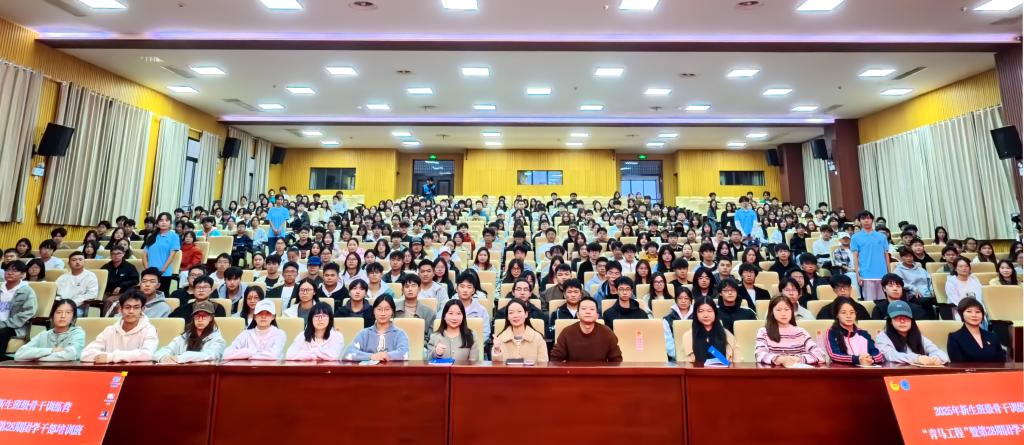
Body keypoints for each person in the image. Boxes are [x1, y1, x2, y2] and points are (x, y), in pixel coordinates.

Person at [80, 290, 159, 363]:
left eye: (136, 307)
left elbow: (147, 354)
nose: (131, 311)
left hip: (138, 372)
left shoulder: (149, 330)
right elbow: (85, 354)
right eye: (127, 307)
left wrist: (111, 357)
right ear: (120, 309)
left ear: (143, 309)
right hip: (112, 372)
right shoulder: (109, 330)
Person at [754, 296, 826, 366]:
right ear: (771, 312)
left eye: (787, 309)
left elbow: (819, 354)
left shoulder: (801, 332)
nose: (783, 314)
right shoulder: (764, 332)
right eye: (778, 310)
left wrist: (798, 359)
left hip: (798, 371)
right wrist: (780, 359)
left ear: (792, 311)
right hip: (774, 372)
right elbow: (759, 354)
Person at [874, 301, 949, 365]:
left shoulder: (917, 335)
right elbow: (891, 355)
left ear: (911, 320)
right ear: (890, 321)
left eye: (906, 317)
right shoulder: (883, 336)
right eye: (897, 317)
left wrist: (935, 358)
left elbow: (940, 353)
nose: (902, 321)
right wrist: (917, 359)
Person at [550, 297, 623, 362]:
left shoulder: (607, 333)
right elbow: (555, 359)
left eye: (592, 309)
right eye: (584, 309)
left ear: (597, 315)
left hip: (599, 372)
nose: (588, 312)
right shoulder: (567, 332)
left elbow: (616, 361)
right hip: (573, 372)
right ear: (578, 315)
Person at [154, 300, 226, 364]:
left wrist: (180, 358)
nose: (200, 320)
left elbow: (210, 355)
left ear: (211, 318)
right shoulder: (185, 336)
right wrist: (163, 358)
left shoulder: (218, 339)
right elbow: (164, 350)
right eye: (197, 316)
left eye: (204, 316)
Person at [13, 298, 84, 362]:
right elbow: (19, 354)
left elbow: (70, 354)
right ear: (52, 316)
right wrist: (51, 350)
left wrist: (37, 358)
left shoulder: (77, 333)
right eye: (59, 312)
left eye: (68, 312)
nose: (63, 316)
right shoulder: (44, 335)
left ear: (73, 317)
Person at [343, 296, 410, 362]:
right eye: (379, 309)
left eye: (387, 309)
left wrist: (385, 355)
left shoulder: (400, 334)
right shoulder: (364, 333)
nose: (383, 313)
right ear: (373, 311)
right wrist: (372, 356)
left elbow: (404, 354)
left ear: (392, 311)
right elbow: (348, 354)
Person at [824, 297, 885, 366]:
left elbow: (878, 355)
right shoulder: (831, 332)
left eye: (852, 312)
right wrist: (857, 359)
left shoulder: (863, 334)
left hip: (865, 370)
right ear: (837, 315)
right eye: (843, 313)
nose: (848, 316)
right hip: (841, 371)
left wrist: (870, 359)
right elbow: (834, 355)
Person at [677, 297, 737, 363]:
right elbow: (682, 363)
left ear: (715, 313)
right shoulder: (687, 337)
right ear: (696, 314)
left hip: (723, 369)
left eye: (709, 311)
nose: (705, 315)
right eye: (701, 311)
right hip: (696, 370)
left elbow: (738, 362)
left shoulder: (728, 335)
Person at [222, 299, 287, 361]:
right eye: (260, 313)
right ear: (255, 316)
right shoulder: (245, 334)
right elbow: (226, 354)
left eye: (268, 313)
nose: (263, 316)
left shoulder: (280, 334)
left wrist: (246, 355)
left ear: (273, 317)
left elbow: (273, 355)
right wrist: (249, 352)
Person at [946, 297, 1006, 363]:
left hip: (994, 370)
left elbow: (1001, 362)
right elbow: (957, 365)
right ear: (961, 314)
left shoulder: (993, 336)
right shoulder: (954, 338)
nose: (974, 315)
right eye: (969, 311)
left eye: (978, 312)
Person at [491, 299, 549, 363]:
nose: (515, 315)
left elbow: (543, 364)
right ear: (508, 317)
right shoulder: (500, 339)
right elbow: (497, 366)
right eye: (511, 313)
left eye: (519, 311)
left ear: (526, 314)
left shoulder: (538, 338)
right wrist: (497, 350)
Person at [850, 211, 889, 301]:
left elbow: (886, 256)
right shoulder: (855, 237)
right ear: (859, 221)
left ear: (872, 220)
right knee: (870, 302)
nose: (866, 220)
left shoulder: (882, 237)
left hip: (882, 274)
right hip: (866, 275)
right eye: (863, 219)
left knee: (883, 302)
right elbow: (855, 257)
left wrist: (889, 273)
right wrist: (858, 275)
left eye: (868, 218)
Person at [141, 212, 181, 296]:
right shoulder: (152, 236)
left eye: (166, 220)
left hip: (164, 273)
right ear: (157, 223)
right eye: (161, 220)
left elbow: (172, 256)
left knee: (162, 295)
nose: (163, 222)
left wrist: (162, 270)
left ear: (170, 223)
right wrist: (147, 269)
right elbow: (144, 254)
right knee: (146, 295)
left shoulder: (174, 236)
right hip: (150, 272)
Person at [55, 251, 99, 317]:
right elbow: (56, 293)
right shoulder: (62, 277)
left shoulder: (90, 276)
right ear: (69, 263)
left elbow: (92, 294)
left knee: (68, 315)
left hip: (79, 307)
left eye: (80, 259)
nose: (77, 262)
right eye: (74, 260)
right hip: (62, 306)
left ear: (84, 262)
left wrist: (72, 303)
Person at [394, 273, 436, 340]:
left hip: (421, 344)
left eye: (413, 286)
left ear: (419, 289)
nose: (410, 289)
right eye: (407, 286)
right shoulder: (393, 308)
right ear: (402, 290)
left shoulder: (429, 313)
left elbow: (430, 337)